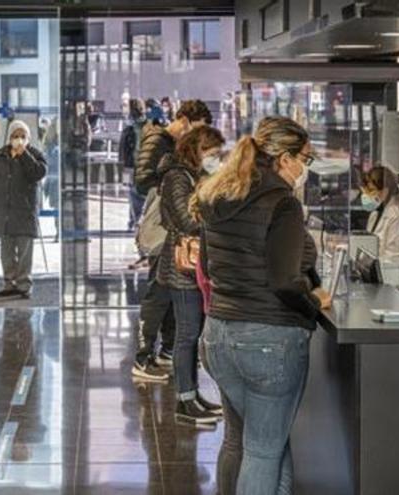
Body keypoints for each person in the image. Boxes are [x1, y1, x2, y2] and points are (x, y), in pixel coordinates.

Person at [195, 116, 331, 494]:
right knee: (263, 450)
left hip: (218, 335)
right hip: (269, 339)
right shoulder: (282, 203)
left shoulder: (218, 194)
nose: (306, 167)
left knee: (262, 442)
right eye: (305, 157)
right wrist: (313, 304)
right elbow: (286, 281)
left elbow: (206, 267)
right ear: (284, 159)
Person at [132, 99, 213, 382]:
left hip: (171, 230)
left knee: (167, 291)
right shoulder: (159, 142)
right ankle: (143, 357)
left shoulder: (173, 150)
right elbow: (141, 181)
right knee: (158, 291)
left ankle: (166, 351)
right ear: (184, 120)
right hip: (163, 229)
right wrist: (172, 184)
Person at [157, 126, 225, 426]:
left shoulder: (192, 176)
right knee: (187, 334)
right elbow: (187, 220)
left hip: (194, 266)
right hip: (183, 267)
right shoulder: (176, 177)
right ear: (196, 150)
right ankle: (185, 401)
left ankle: (192, 395)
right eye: (211, 153)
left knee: (191, 334)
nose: (215, 158)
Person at [0, 120, 47, 298]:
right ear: (9, 137)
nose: (19, 139)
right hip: (4, 211)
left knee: (25, 251)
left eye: (22, 136)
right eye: (15, 136)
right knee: (7, 250)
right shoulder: (1, 154)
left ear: (28, 138)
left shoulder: (35, 154)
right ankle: (9, 283)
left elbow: (38, 173)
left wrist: (24, 154)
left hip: (25, 211)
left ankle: (24, 284)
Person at [360, 166, 399, 257]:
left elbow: (392, 254)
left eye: (371, 190)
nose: (367, 195)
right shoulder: (376, 213)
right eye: (366, 191)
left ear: (385, 191)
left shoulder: (396, 215)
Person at [119, 98, 147, 231]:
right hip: (130, 167)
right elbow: (123, 154)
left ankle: (136, 222)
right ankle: (133, 221)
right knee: (132, 193)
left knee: (135, 194)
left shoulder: (145, 128)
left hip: (139, 167)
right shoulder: (129, 129)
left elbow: (123, 154)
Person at [41, 117, 60, 241]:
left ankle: (62, 232)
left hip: (60, 180)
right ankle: (59, 232)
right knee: (58, 209)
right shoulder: (50, 146)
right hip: (55, 181)